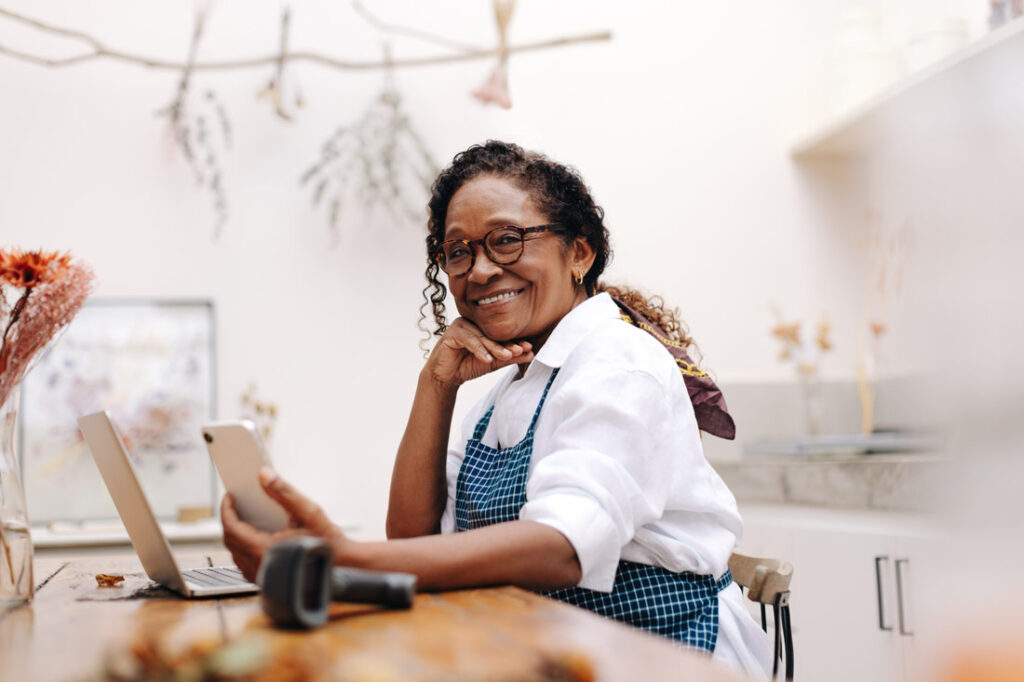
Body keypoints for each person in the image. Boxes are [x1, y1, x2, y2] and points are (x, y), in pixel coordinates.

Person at [221, 140, 773, 677]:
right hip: (548, 643)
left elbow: (563, 547)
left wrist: (344, 560)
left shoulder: (618, 364)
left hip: (661, 653)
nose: (479, 270)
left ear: (578, 252)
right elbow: (414, 543)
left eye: (507, 240)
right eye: (458, 251)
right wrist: (435, 386)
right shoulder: (509, 388)